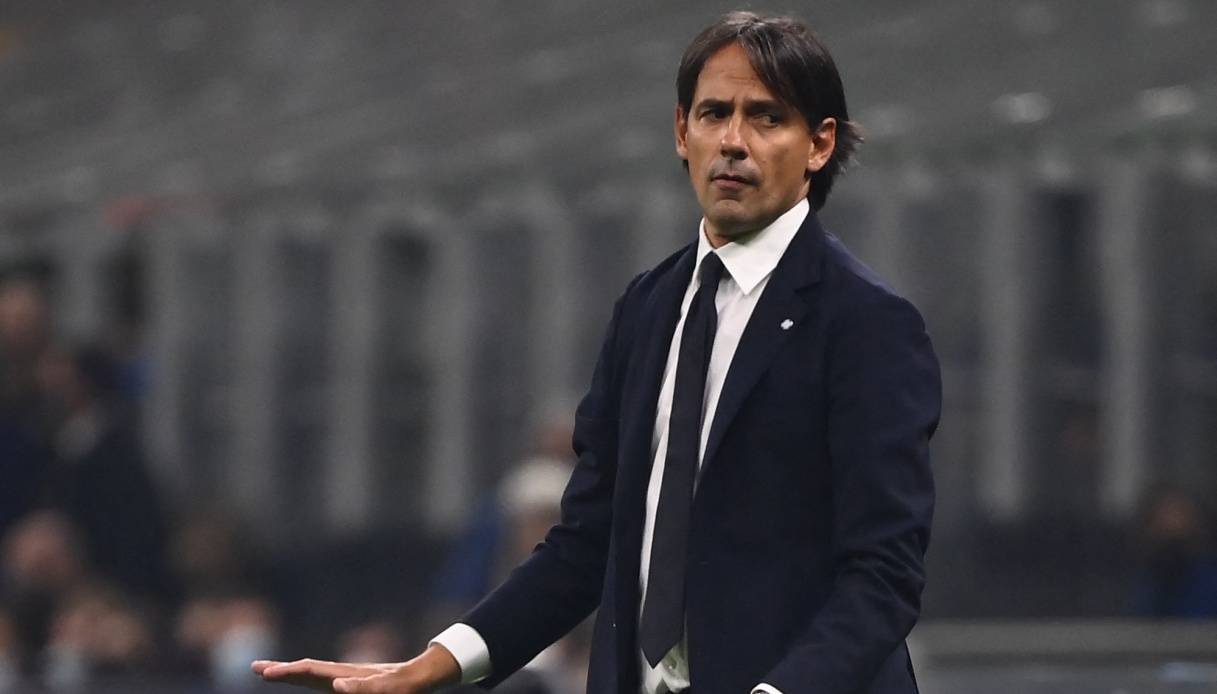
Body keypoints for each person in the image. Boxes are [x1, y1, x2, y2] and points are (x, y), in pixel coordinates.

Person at [255, 11, 940, 694]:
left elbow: (881, 574)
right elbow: (585, 545)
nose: (733, 142)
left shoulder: (867, 323)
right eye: (713, 114)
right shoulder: (646, 309)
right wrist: (432, 666)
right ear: (682, 131)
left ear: (819, 144)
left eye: (766, 118)